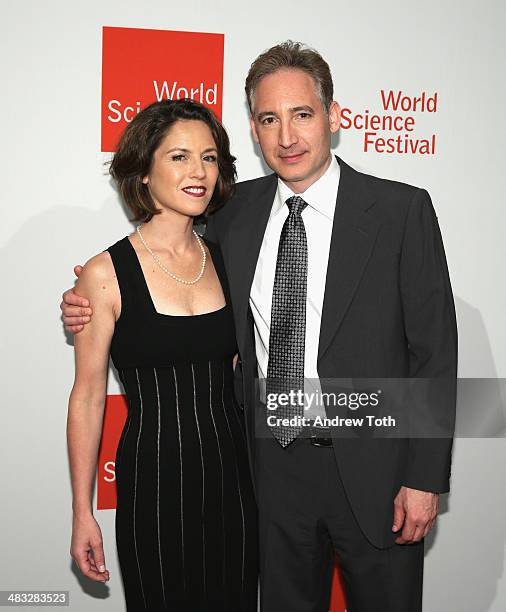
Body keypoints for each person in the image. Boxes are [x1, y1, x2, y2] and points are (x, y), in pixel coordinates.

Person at [63, 42, 457, 612]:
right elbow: (158, 269)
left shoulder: (400, 211)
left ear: (334, 116)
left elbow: (435, 352)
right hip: (268, 476)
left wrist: (424, 478)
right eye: (270, 119)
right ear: (253, 129)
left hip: (378, 473)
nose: (288, 137)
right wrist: (84, 299)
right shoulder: (232, 212)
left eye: (303, 114)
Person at [66, 98, 258, 611]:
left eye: (210, 157)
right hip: (154, 483)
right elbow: (87, 397)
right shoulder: (104, 274)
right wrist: (83, 511)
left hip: (235, 480)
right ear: (144, 172)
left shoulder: (231, 257)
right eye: (179, 157)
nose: (199, 171)